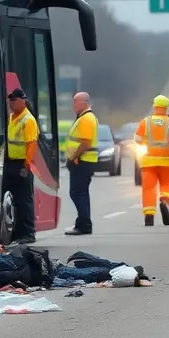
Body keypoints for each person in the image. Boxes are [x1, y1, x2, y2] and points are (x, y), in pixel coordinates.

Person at [135, 95, 169, 227]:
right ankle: (164, 201)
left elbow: (137, 139)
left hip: (148, 162)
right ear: (166, 108)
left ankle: (149, 217)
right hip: (167, 162)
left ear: (154, 107)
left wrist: (146, 141)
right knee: (167, 185)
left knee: (148, 188)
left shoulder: (146, 122)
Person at [5, 87, 39, 244]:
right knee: (14, 201)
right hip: (11, 163)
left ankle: (28, 233)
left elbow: (31, 144)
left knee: (24, 201)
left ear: (22, 101)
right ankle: (18, 233)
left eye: (14, 100)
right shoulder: (13, 118)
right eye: (10, 100)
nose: (11, 103)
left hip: (21, 165)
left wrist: (26, 165)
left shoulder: (28, 120)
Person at [65, 92, 98, 236]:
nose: (74, 105)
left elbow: (85, 143)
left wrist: (74, 156)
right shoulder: (84, 118)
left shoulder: (86, 119)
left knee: (77, 193)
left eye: (76, 102)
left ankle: (84, 224)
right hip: (83, 161)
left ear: (85, 102)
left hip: (82, 161)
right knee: (80, 193)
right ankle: (82, 222)